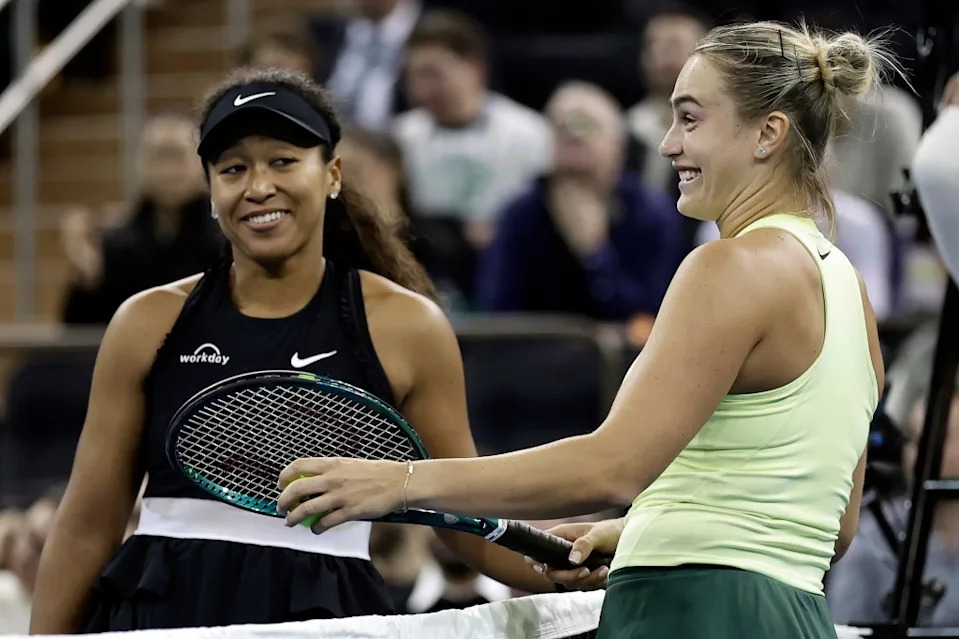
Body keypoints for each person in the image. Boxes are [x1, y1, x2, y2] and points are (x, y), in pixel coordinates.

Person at [277, 21, 895, 638]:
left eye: (690, 119)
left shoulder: (729, 266)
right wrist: (641, 532)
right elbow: (832, 526)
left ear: (768, 133)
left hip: (696, 612)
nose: (667, 145)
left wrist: (399, 482)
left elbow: (611, 468)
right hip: (798, 618)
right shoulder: (851, 292)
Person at [28, 68, 552, 634]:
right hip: (160, 609)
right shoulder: (145, 321)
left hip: (326, 614)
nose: (257, 187)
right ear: (211, 192)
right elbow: (86, 524)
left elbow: (459, 516)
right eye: (233, 169)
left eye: (282, 161)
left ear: (331, 175)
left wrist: (576, 565)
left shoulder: (408, 326)